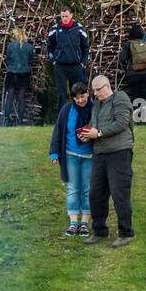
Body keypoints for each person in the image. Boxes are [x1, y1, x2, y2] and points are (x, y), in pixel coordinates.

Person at [81, 75, 135, 246]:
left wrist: (98, 133)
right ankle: (100, 231)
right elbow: (94, 124)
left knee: (120, 194)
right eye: (93, 90)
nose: (95, 94)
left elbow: (122, 122)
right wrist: (87, 135)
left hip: (119, 153)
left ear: (107, 86)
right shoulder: (96, 105)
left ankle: (126, 233)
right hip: (99, 154)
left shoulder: (120, 98)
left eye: (98, 90)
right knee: (95, 194)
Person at [49, 82, 94, 236]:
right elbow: (58, 130)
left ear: (88, 93)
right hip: (70, 155)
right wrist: (54, 152)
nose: (80, 100)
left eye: (82, 96)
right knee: (73, 189)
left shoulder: (96, 108)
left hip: (90, 155)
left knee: (87, 190)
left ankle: (85, 223)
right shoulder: (67, 109)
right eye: (76, 98)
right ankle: (73, 222)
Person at [46, 7, 89, 114]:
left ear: (71, 15)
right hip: (60, 66)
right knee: (61, 94)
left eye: (66, 16)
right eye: (62, 17)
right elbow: (49, 46)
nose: (64, 19)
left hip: (75, 66)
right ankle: (63, 117)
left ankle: (79, 115)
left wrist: (83, 62)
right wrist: (53, 60)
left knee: (77, 93)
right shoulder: (55, 28)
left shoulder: (79, 28)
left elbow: (85, 46)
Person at [118, 24, 146, 120]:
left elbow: (122, 59)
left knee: (136, 96)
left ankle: (137, 119)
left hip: (133, 74)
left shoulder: (128, 44)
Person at [3, 25, 35, 126]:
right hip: (24, 74)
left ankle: (6, 120)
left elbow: (7, 59)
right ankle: (20, 121)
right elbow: (31, 61)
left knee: (10, 97)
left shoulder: (10, 46)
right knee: (22, 98)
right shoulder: (29, 47)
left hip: (12, 74)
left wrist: (12, 65)